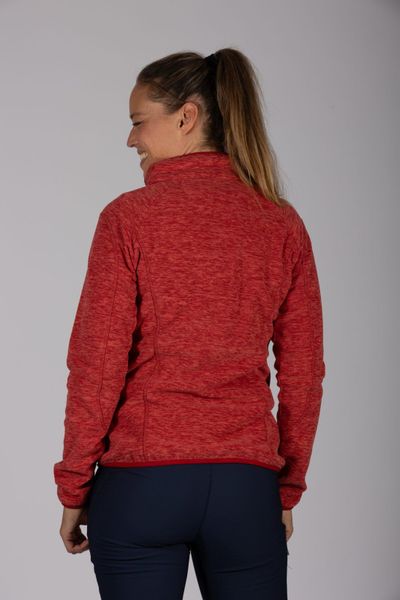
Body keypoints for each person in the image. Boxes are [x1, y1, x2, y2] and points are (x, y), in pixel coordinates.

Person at [53, 47, 326, 600]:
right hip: (246, 490)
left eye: (138, 121)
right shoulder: (281, 222)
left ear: (186, 117)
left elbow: (97, 364)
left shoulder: (128, 218)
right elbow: (304, 373)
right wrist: (285, 488)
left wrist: (75, 485)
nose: (130, 139)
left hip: (142, 487)